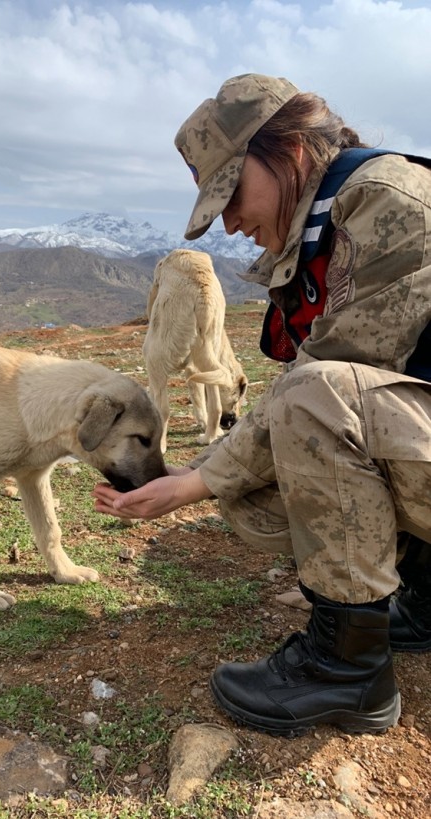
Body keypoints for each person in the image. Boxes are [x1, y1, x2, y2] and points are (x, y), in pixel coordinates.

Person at [92, 73, 431, 737]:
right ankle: (421, 597)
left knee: (314, 401)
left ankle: (347, 670)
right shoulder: (333, 218)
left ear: (290, 150)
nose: (229, 222)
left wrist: (197, 478)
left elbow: (343, 379)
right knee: (275, 466)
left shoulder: (385, 203)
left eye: (231, 192)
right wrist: (211, 473)